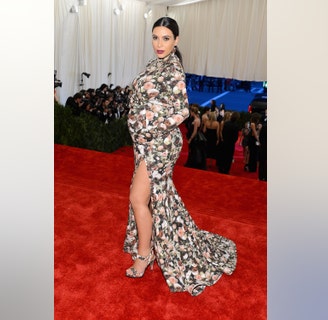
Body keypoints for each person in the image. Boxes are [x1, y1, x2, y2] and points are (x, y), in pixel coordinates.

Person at [123, 17, 236, 297]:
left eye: (165, 38)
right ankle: (150, 248)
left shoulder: (173, 70)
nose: (159, 44)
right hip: (147, 142)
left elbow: (182, 111)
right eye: (155, 37)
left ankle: (144, 254)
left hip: (160, 144)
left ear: (176, 41)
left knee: (138, 197)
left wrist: (151, 124)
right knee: (155, 198)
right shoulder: (155, 64)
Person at [184, 104, 207, 170]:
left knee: (193, 151)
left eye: (191, 112)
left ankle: (193, 164)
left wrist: (190, 139)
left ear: (193, 112)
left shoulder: (196, 120)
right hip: (195, 137)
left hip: (194, 138)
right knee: (193, 151)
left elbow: (194, 131)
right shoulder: (198, 118)